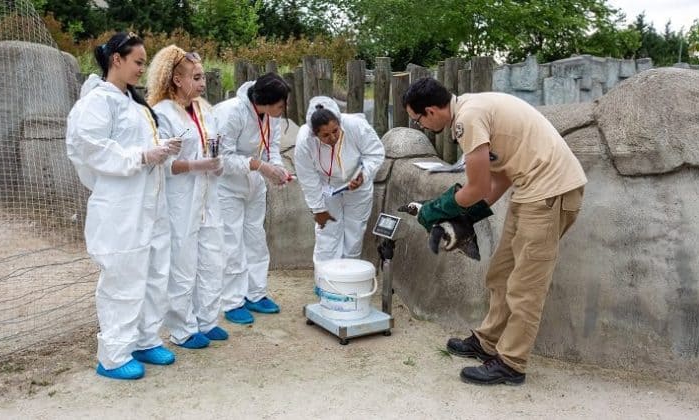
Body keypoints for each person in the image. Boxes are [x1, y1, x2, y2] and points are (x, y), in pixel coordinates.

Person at [402, 78, 587, 386]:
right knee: (501, 273)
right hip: (531, 192)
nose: (420, 125)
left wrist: (435, 210)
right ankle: (488, 342)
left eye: (418, 118)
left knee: (525, 286)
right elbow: (498, 179)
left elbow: (476, 187)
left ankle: (512, 363)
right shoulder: (473, 108)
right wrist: (468, 217)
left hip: (550, 194)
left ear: (432, 111)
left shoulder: (468, 119)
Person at [66, 32, 180, 380]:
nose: (142, 70)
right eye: (138, 62)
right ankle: (113, 355)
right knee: (123, 279)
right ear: (116, 59)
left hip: (149, 202)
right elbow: (90, 147)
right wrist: (142, 155)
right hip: (121, 207)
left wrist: (160, 147)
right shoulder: (98, 102)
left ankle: (145, 338)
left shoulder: (132, 102)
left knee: (154, 273)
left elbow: (135, 143)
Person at [146, 46, 228, 350]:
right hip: (181, 199)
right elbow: (163, 163)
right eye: (196, 77)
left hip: (208, 197)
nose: (202, 82)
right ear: (177, 79)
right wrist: (195, 165)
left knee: (211, 258)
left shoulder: (205, 110)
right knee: (182, 262)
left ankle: (207, 319)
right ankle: (182, 328)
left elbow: (215, 146)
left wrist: (214, 163)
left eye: (203, 76)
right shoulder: (163, 113)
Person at [212, 73, 292, 324]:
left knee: (256, 238)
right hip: (227, 186)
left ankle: (255, 293)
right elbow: (221, 159)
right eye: (280, 104)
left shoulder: (271, 116)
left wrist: (277, 170)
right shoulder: (231, 113)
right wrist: (259, 166)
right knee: (231, 242)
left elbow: (272, 148)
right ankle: (232, 301)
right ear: (266, 101)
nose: (283, 109)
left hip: (255, 184)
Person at [294, 96, 385, 264]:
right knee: (327, 231)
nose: (333, 137)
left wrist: (363, 175)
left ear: (339, 123)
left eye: (335, 131)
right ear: (315, 134)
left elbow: (375, 153)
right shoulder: (304, 141)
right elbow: (307, 178)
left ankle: (347, 279)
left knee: (354, 230)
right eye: (325, 135)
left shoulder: (355, 125)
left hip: (357, 183)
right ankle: (325, 279)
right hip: (326, 185)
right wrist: (318, 208)